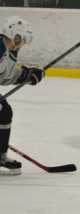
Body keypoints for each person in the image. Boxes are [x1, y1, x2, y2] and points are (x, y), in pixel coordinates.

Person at [0, 16, 44, 175]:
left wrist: (26, 74)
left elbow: (3, 77)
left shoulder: (9, 52)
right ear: (15, 35)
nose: (22, 43)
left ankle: (0, 155)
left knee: (4, 112)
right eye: (22, 39)